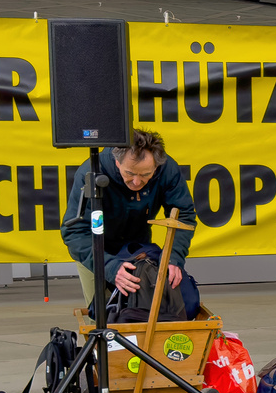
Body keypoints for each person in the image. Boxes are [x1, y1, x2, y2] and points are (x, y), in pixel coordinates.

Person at [60, 129, 195, 309]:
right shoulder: (90, 172)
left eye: (146, 174)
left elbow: (184, 216)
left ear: (156, 166)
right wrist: (109, 267)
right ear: (117, 161)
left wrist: (173, 258)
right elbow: (75, 231)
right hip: (95, 251)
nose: (137, 182)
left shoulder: (167, 169)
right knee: (101, 315)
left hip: (138, 248)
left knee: (140, 312)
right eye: (130, 173)